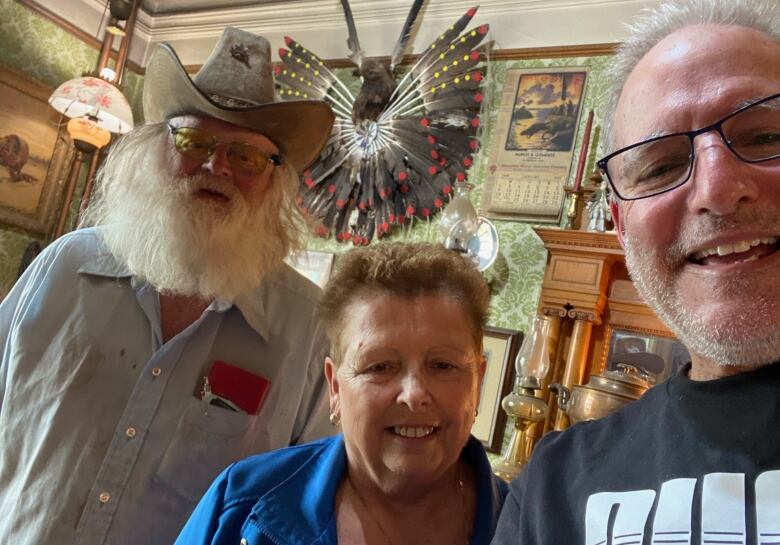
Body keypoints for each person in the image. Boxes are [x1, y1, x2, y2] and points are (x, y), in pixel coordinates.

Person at [0, 27, 335, 545]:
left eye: (244, 156)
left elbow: (308, 514)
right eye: (194, 140)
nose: (215, 166)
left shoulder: (310, 328)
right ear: (157, 147)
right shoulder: (67, 265)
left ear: (275, 180)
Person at [491, 0, 780, 541]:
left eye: (767, 137)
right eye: (662, 166)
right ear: (622, 227)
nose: (717, 190)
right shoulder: (552, 488)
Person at [175, 242, 508, 545]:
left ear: (478, 381)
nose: (414, 394)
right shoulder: (241, 507)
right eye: (380, 367)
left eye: (443, 366)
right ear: (335, 387)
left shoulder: (528, 525)